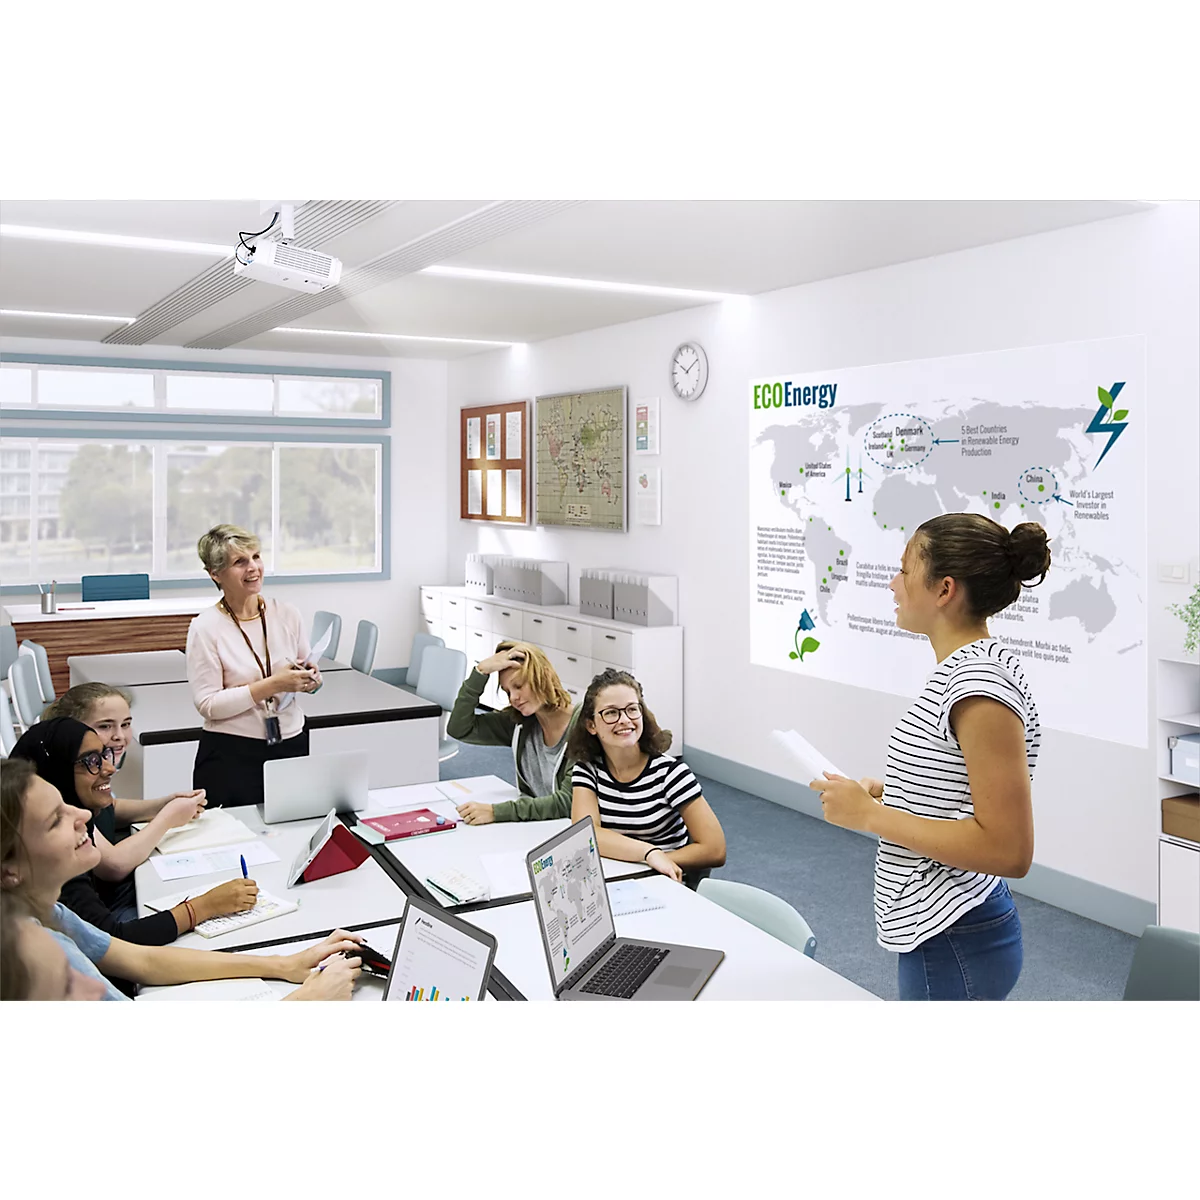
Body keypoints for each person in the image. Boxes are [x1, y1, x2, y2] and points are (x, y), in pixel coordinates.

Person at [810, 513, 1050, 1001]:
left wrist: (870, 815)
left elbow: (1009, 850)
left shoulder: (978, 688)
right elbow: (960, 791)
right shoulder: (968, 671)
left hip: (955, 934)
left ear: (944, 590)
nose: (893, 583)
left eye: (903, 570)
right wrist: (892, 794)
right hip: (952, 925)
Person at [0, 757, 361, 1001]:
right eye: (55, 821)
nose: (81, 815)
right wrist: (305, 1002)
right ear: (8, 870)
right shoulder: (37, 949)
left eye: (66, 806)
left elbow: (143, 961)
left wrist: (282, 964)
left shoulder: (50, 911)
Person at [10, 717, 256, 947]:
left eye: (104, 755)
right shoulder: (58, 859)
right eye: (92, 761)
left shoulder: (79, 813)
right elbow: (114, 940)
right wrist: (204, 906)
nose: (110, 768)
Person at [187, 524, 321, 808]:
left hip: (291, 741)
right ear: (215, 573)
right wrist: (273, 685)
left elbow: (304, 671)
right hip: (231, 753)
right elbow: (208, 704)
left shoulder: (287, 613)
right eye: (240, 562)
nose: (253, 568)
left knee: (292, 832)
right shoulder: (205, 627)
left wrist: (310, 680)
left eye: (256, 557)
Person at [568, 668, 726, 888]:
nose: (624, 720)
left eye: (632, 710)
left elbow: (715, 849)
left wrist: (658, 860)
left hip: (664, 881)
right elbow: (585, 834)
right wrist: (648, 853)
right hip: (614, 878)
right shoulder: (588, 770)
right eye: (611, 713)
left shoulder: (670, 773)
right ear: (591, 725)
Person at [44, 681, 208, 844]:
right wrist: (168, 818)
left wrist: (165, 805)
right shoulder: (69, 778)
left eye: (126, 724)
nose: (119, 736)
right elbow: (113, 865)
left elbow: (109, 810)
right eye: (105, 726)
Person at [447, 641, 582, 825]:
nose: (513, 698)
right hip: (537, 826)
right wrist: (480, 672)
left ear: (544, 675)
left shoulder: (583, 725)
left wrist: (496, 812)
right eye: (507, 691)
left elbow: (567, 803)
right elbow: (459, 728)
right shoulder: (521, 722)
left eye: (518, 686)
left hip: (570, 831)